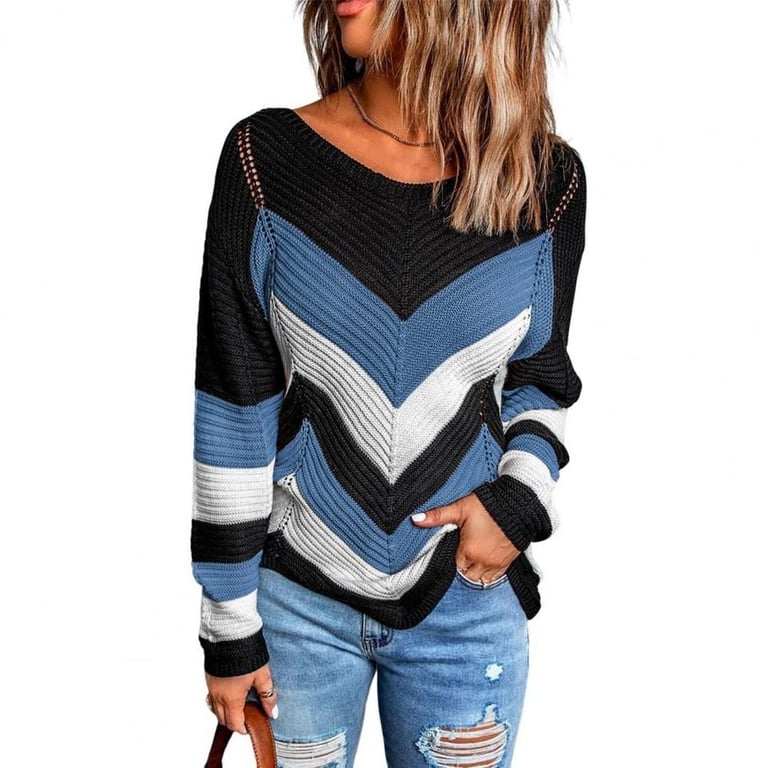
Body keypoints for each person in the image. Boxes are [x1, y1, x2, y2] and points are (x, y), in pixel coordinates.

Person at [190, 0, 586, 765]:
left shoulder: (544, 183)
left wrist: (516, 504)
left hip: (466, 601)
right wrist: (229, 625)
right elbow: (234, 405)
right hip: (296, 606)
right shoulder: (265, 161)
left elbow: (540, 377)